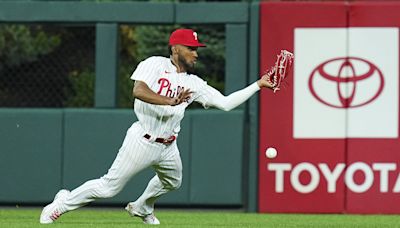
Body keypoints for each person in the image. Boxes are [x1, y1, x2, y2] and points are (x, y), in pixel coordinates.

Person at [39, 28, 274, 225]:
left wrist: (258, 85)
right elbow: (138, 91)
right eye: (191, 48)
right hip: (143, 139)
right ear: (175, 49)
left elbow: (225, 103)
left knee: (173, 181)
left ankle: (142, 206)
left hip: (168, 146)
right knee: (108, 188)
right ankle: (62, 203)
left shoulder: (194, 83)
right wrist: (169, 101)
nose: (196, 54)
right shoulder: (154, 65)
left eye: (196, 49)